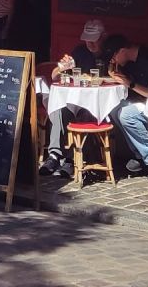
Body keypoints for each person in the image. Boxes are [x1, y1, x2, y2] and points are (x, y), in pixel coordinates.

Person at [41, 19, 107, 176]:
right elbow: (54, 76)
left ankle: (72, 159)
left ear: (103, 37)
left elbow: (116, 80)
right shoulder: (79, 52)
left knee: (84, 113)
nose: (90, 44)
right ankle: (54, 155)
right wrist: (62, 68)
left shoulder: (110, 53)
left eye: (94, 40)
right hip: (76, 99)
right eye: (87, 40)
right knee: (59, 109)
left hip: (99, 101)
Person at [102, 33, 148, 177]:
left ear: (122, 51)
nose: (113, 61)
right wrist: (115, 73)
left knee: (126, 114)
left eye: (114, 57)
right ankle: (140, 153)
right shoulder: (128, 62)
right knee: (114, 109)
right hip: (140, 103)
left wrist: (130, 84)